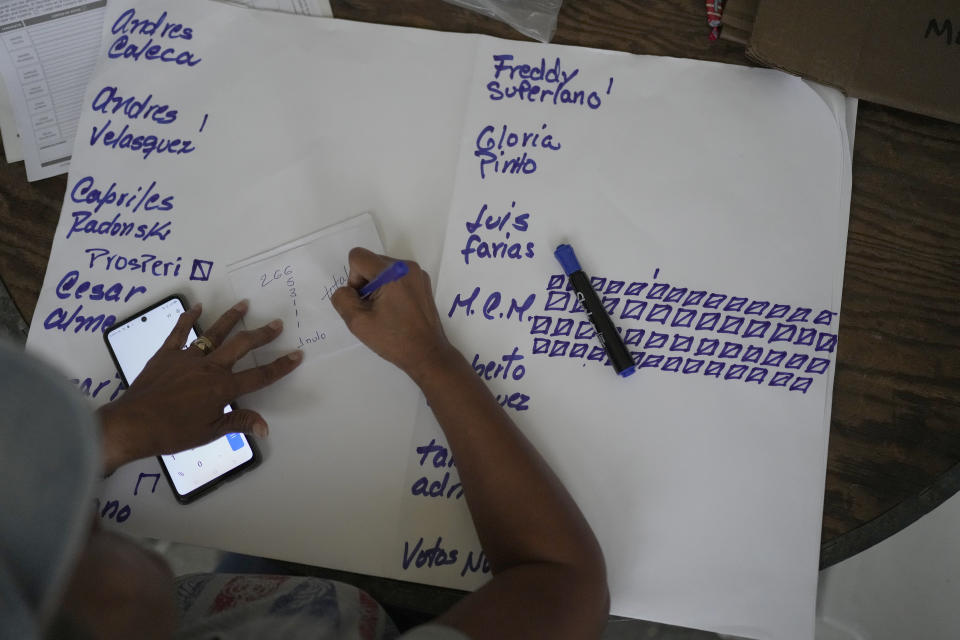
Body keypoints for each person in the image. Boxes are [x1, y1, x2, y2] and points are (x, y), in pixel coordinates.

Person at [1, 248, 608, 639]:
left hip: (247, 591)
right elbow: (561, 578)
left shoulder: (118, 609)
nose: (86, 502)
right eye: (84, 530)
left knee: (254, 562)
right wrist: (433, 359)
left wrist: (119, 433)